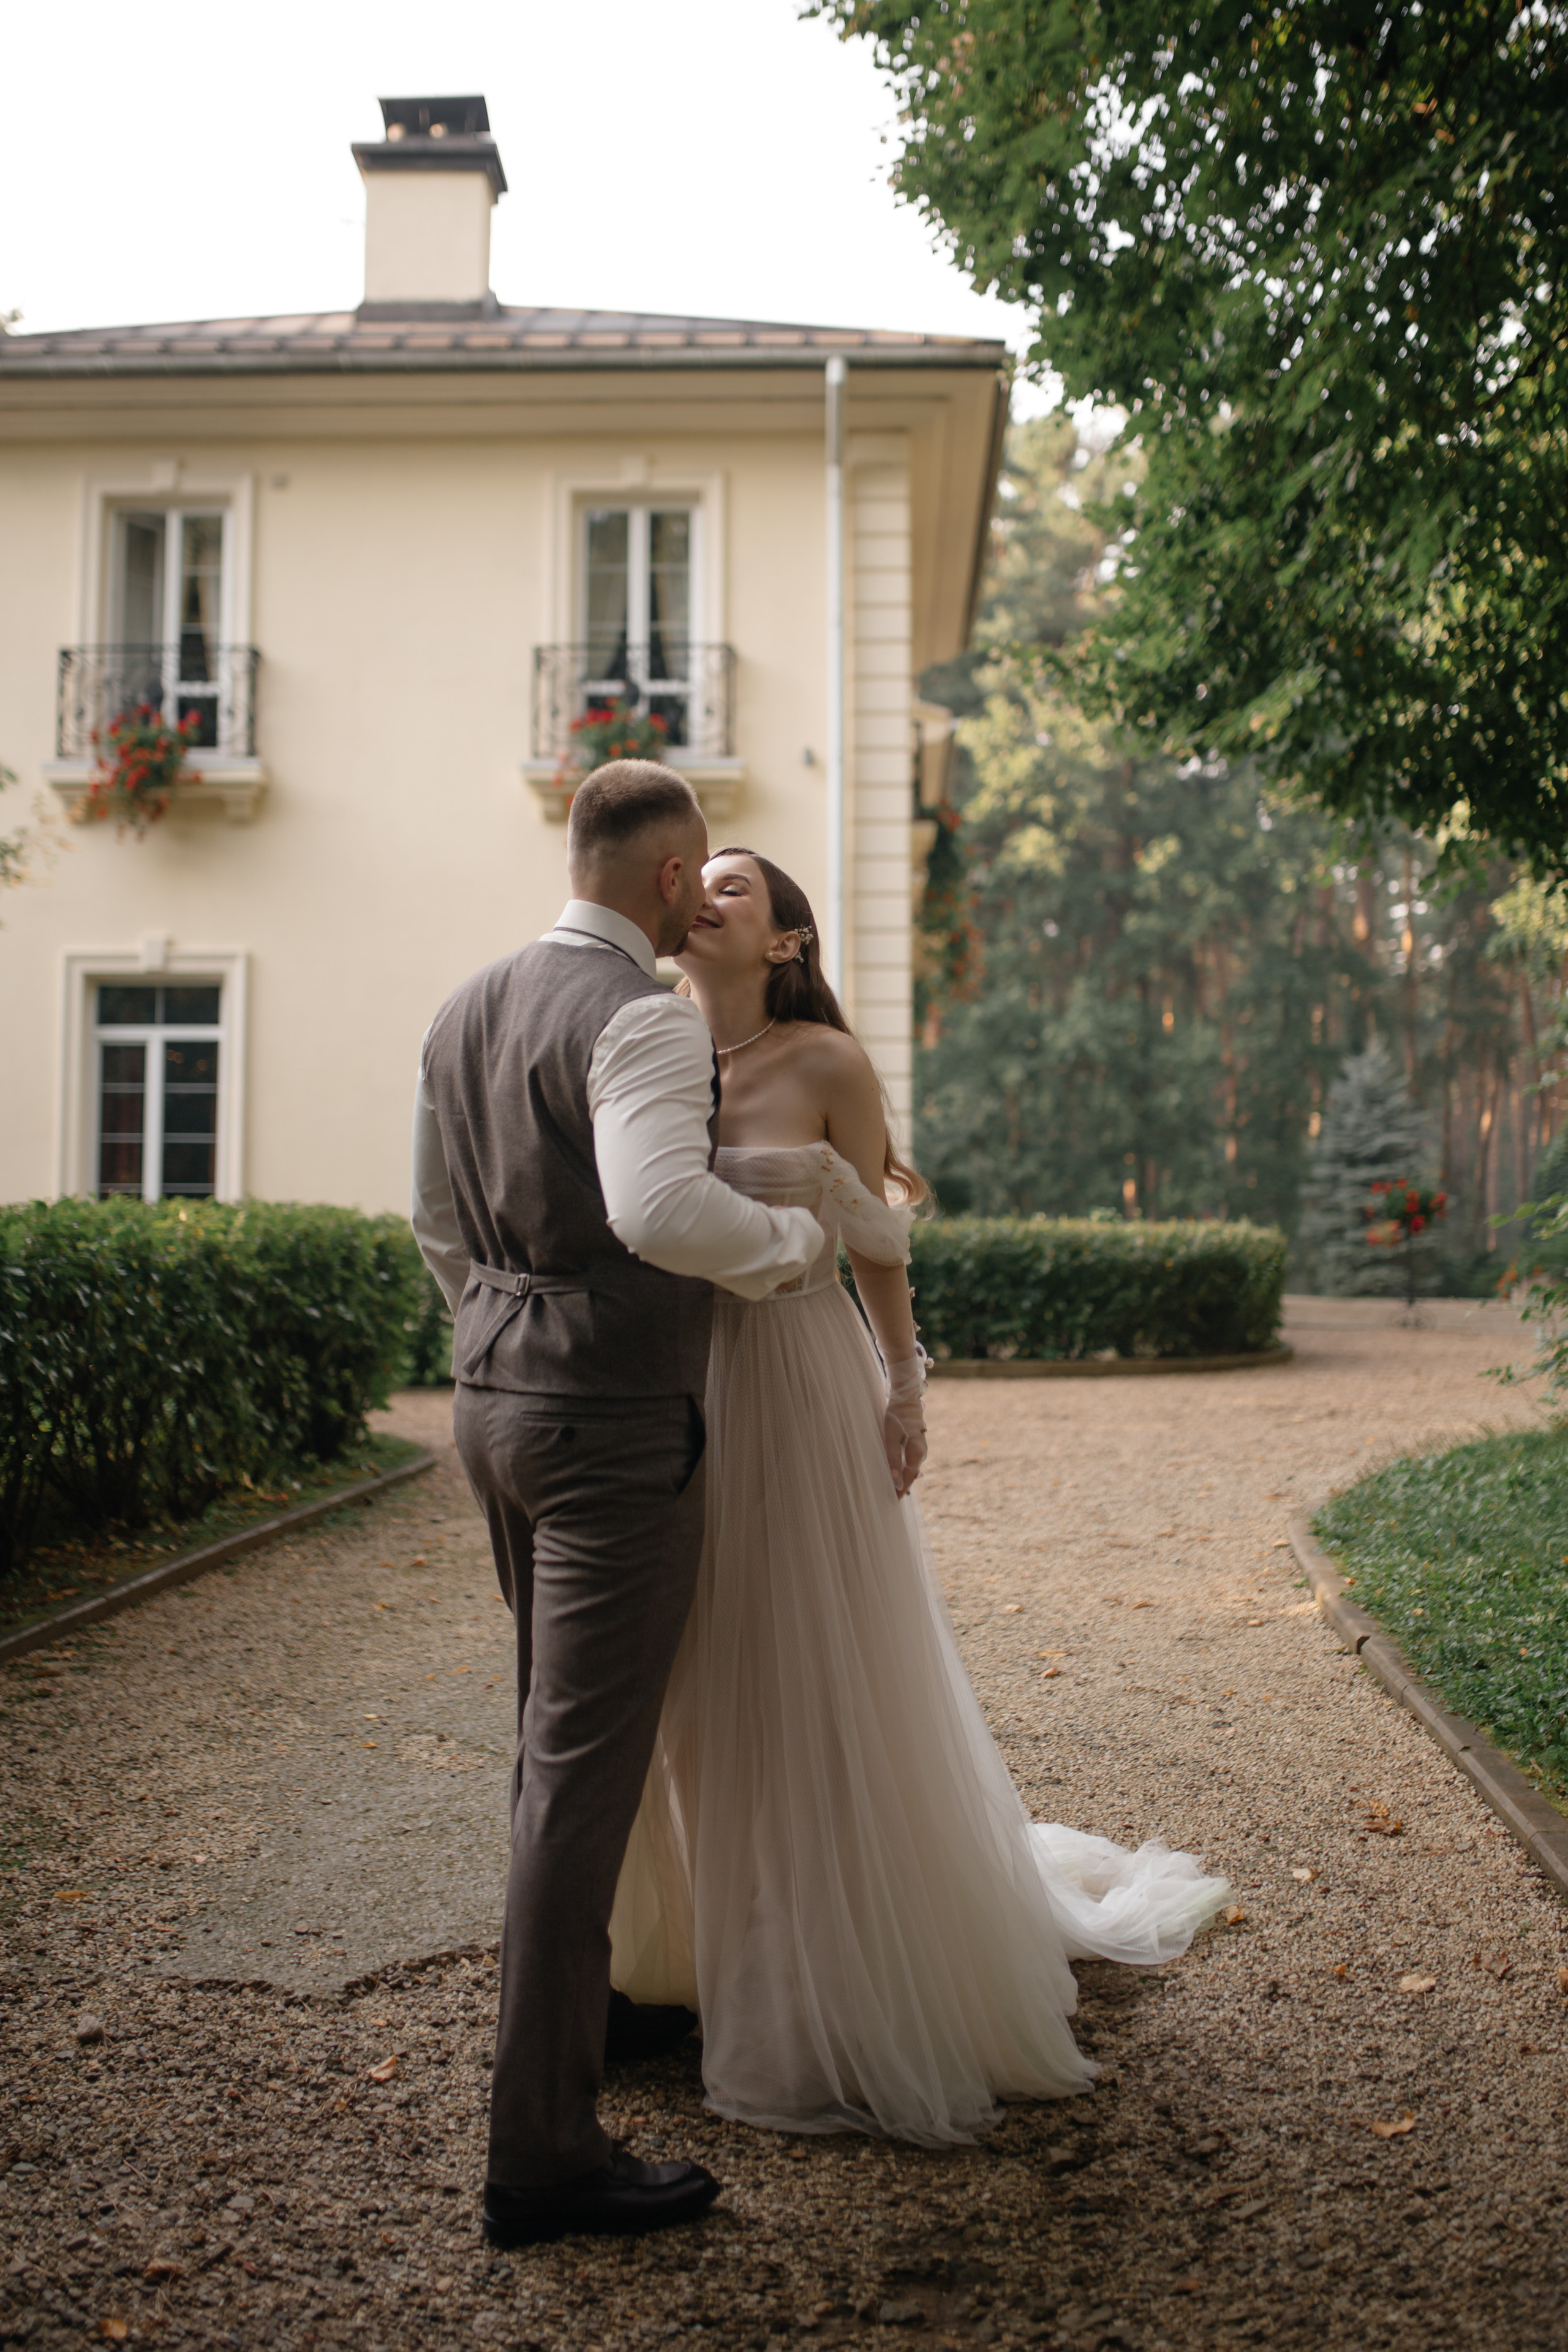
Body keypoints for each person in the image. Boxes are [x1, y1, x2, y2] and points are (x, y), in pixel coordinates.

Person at [608, 848, 1231, 2143]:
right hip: (683, 1391)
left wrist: (904, 1389)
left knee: (806, 1666)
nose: (704, 896)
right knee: (691, 1675)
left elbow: (879, 1250)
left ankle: (836, 1979)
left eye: (736, 886)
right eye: (697, 880)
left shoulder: (825, 1066)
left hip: (797, 1383)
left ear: (786, 940)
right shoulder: (655, 1048)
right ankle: (690, 1955)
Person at [411, 769, 822, 2242]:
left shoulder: (465, 1004)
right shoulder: (639, 1013)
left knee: (550, 1740)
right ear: (666, 883)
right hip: (605, 1425)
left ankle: (583, 2019)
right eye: (699, 879)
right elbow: (661, 1211)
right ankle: (540, 2153)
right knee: (582, 1771)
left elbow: (437, 1228)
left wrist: (506, 1331)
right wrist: (784, 1240)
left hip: (491, 1405)